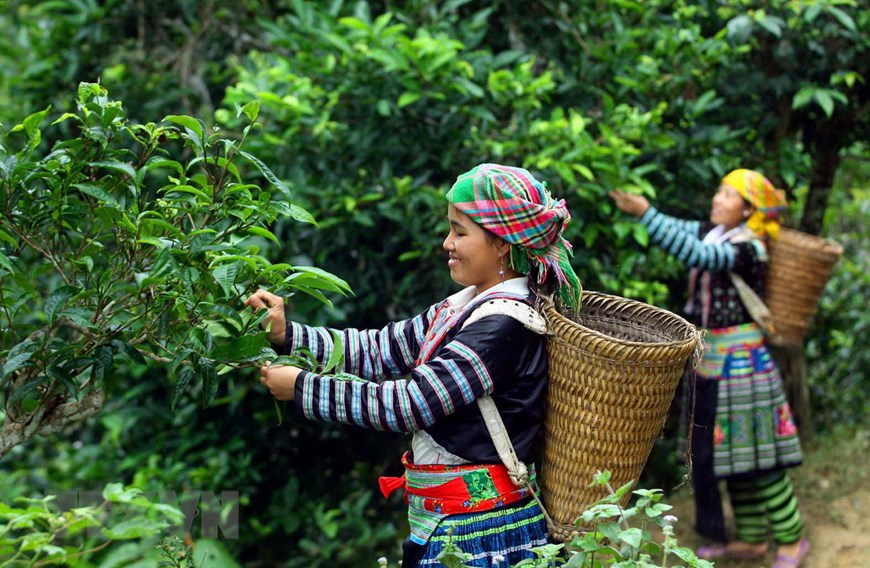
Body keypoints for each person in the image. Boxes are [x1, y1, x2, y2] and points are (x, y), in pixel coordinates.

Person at [246, 164, 582, 567]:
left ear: (502, 244)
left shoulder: (501, 326)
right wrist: (288, 335)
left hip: (481, 534)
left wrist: (304, 388)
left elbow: (411, 403)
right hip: (450, 523)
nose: (447, 243)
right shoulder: (463, 308)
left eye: (460, 232)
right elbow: (381, 348)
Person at [610, 169, 810, 568]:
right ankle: (753, 539)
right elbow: (674, 227)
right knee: (731, 455)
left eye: (727, 194)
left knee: (759, 455)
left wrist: (646, 211)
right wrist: (642, 211)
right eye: (719, 191)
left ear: (749, 209)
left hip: (743, 365)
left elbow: (698, 255)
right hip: (713, 361)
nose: (717, 199)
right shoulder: (713, 230)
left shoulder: (750, 246)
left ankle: (792, 539)